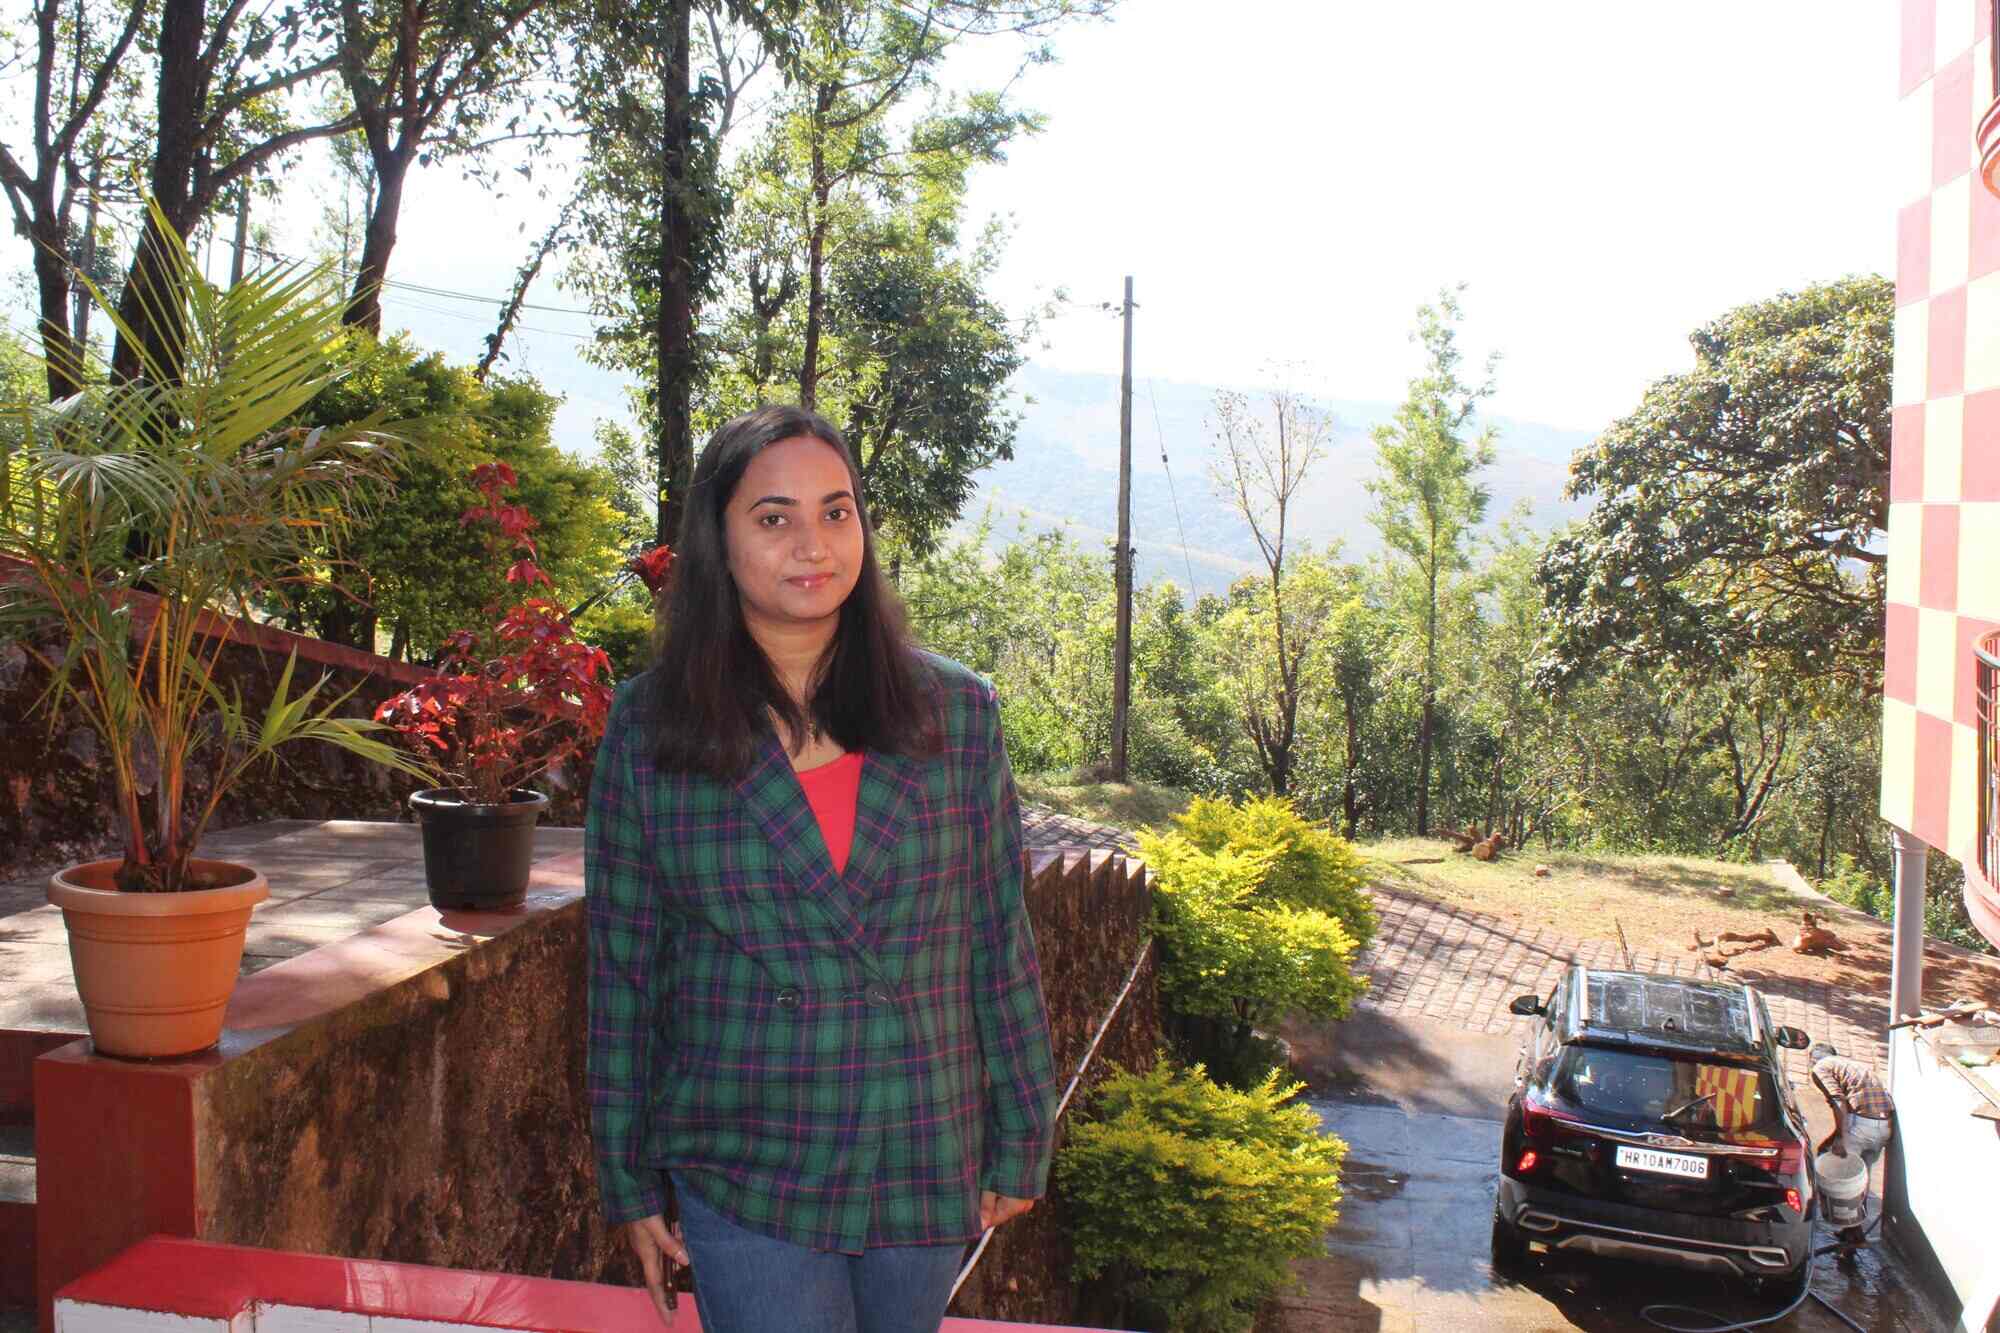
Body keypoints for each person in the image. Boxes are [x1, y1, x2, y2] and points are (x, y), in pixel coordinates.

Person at [584, 405, 1061, 1333]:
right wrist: (627, 1177)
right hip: (748, 1154)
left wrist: (1023, 1129)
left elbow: (999, 939)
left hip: (920, 1141)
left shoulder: (954, 712)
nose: (814, 544)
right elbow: (624, 972)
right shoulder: (653, 729)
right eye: (775, 517)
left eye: (836, 512)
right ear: (719, 541)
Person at [1808, 1042, 1895, 1245]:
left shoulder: (1820, 1067)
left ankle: (1852, 1234)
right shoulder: (1852, 1066)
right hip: (1884, 1128)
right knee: (1859, 1180)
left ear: (1812, 1059)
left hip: (1861, 1124)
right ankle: (1853, 1233)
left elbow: (1838, 1101)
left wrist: (1839, 1137)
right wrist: (1833, 1137)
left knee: (1843, 1180)